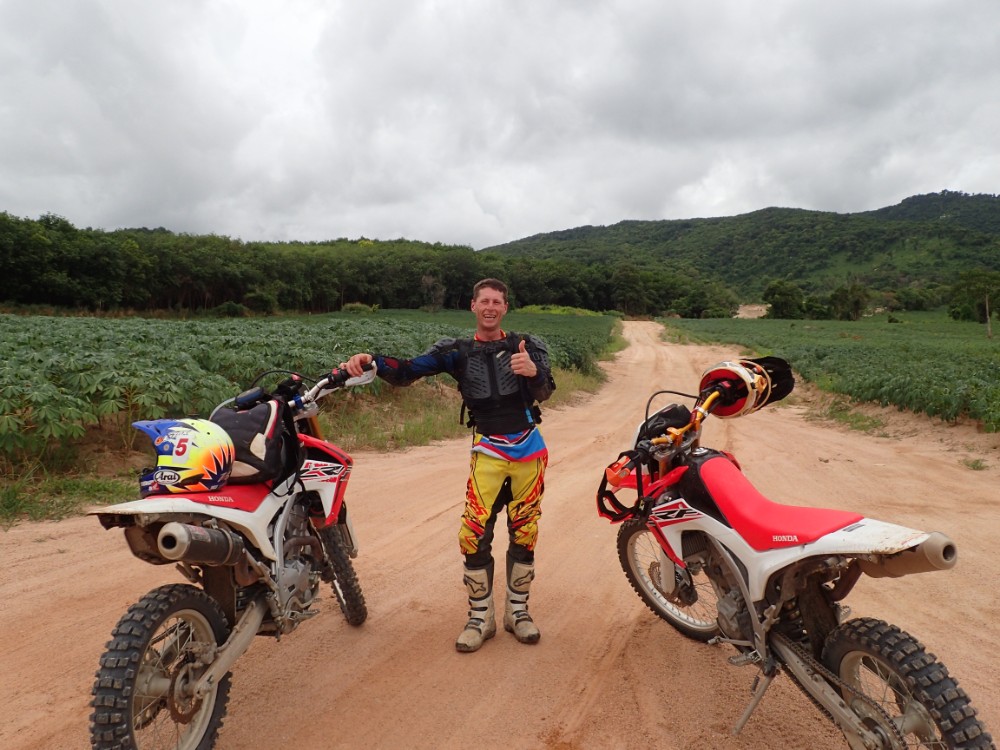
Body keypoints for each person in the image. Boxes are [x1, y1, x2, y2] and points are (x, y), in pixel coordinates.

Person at [342, 278, 555, 652]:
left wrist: (533, 372)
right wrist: (371, 360)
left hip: (529, 452)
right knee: (473, 533)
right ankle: (481, 618)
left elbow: (546, 391)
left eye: (497, 302)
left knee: (525, 531)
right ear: (473, 306)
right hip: (488, 451)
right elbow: (407, 371)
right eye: (484, 301)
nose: (490, 307)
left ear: (505, 307)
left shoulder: (526, 346)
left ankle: (518, 613)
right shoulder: (457, 352)